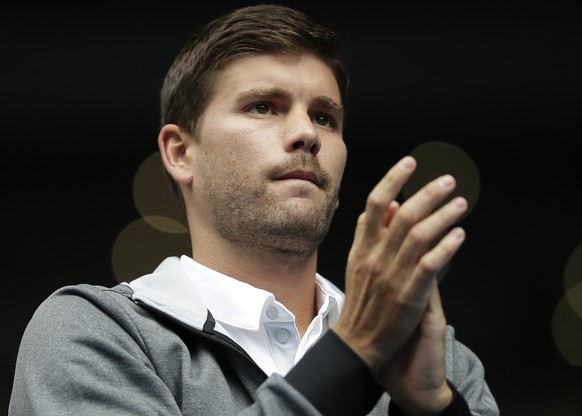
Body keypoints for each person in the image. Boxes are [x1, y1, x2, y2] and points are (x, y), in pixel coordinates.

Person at [9, 4, 499, 415]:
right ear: (181, 152)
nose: (308, 133)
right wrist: (353, 356)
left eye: (325, 117)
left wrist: (436, 410)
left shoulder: (440, 362)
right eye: (264, 106)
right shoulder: (92, 335)